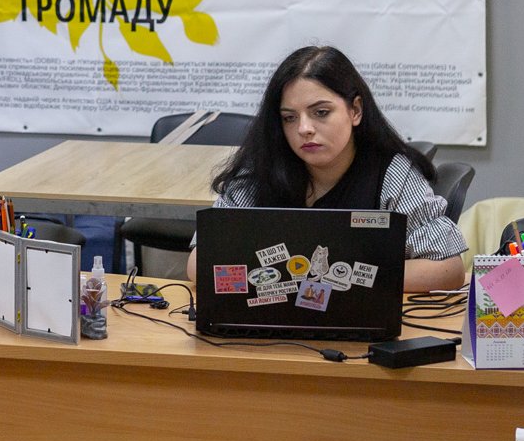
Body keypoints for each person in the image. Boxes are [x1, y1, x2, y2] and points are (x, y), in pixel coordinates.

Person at [187, 45, 469, 294]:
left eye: (321, 112)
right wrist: (280, 283)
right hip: (273, 319)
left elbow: (448, 268)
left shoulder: (391, 172)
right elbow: (199, 263)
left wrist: (338, 279)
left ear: (355, 110)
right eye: (289, 117)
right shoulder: (263, 167)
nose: (304, 129)